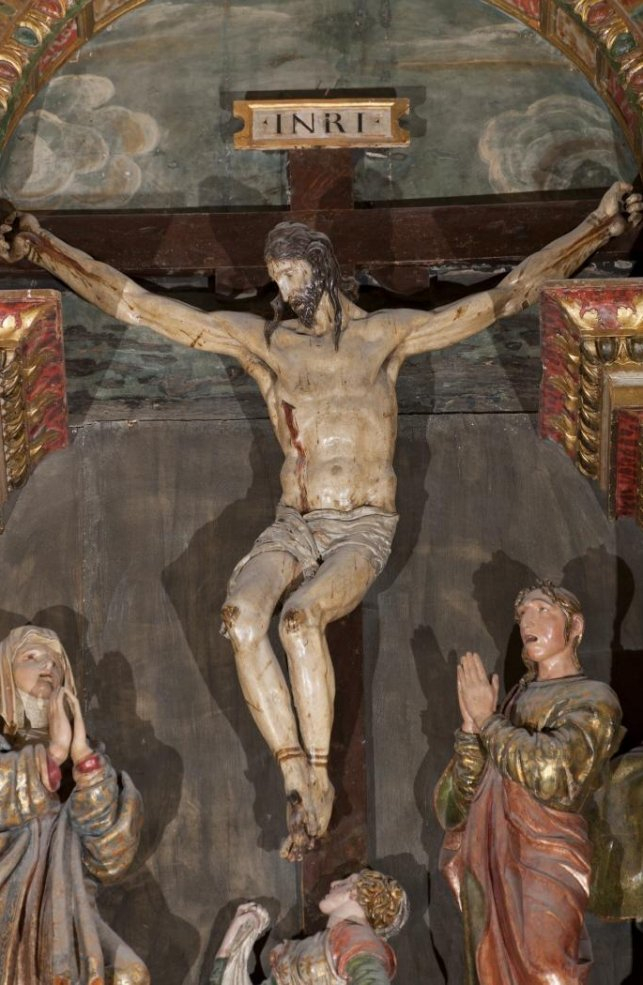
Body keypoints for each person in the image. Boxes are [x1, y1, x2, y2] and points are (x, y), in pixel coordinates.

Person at [1, 187, 640, 859]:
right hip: (293, 522)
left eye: (291, 272)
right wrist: (43, 246)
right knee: (240, 614)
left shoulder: (382, 337)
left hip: (362, 525)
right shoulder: (267, 345)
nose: (282, 287)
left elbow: (503, 297)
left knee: (300, 619)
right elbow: (139, 305)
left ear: (323, 267)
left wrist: (595, 229)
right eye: (275, 277)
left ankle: (318, 779)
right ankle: (292, 776)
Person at [434, 582, 624, 985]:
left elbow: (553, 774)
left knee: (549, 966)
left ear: (575, 626)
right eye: (523, 616)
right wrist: (471, 731)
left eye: (542, 611)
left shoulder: (593, 697)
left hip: (549, 852)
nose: (527, 623)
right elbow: (461, 801)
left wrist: (488, 722)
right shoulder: (509, 702)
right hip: (492, 854)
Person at [0, 625, 148, 985]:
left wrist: (82, 759)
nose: (46, 666)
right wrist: (53, 754)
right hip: (6, 899)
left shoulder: (88, 760)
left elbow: (111, 856)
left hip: (69, 907)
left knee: (130, 974)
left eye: (55, 661)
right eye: (30, 657)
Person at [209, 868, 409, 985]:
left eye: (345, 882)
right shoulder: (321, 943)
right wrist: (240, 934)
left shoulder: (354, 937)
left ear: (357, 893)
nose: (333, 884)